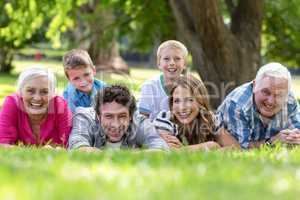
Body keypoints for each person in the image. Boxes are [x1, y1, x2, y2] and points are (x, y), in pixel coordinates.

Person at [216, 62, 300, 149]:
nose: (271, 101)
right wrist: (273, 142)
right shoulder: (237, 104)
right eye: (265, 92)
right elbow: (241, 148)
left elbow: (297, 131)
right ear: (255, 85)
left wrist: (294, 138)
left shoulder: (289, 100)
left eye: (279, 95)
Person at [68, 85, 169, 151]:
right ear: (98, 116)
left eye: (122, 116)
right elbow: (77, 146)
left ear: (130, 116)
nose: (115, 124)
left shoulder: (139, 121)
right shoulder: (85, 117)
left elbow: (160, 147)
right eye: (108, 116)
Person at [153, 74, 237, 150]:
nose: (182, 108)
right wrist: (211, 146)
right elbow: (165, 151)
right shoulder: (165, 119)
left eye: (189, 100)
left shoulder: (210, 119)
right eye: (177, 101)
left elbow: (235, 148)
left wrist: (184, 149)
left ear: (201, 101)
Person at [0, 68, 72, 148]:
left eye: (44, 92)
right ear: (20, 91)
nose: (37, 98)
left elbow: (69, 144)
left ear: (53, 94)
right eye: (30, 91)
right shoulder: (13, 103)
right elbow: (3, 143)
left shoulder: (60, 105)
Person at [138, 40, 188, 120]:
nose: (172, 63)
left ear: (185, 64)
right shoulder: (150, 86)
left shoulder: (190, 85)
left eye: (177, 59)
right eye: (166, 59)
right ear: (159, 63)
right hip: (154, 130)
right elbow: (142, 118)